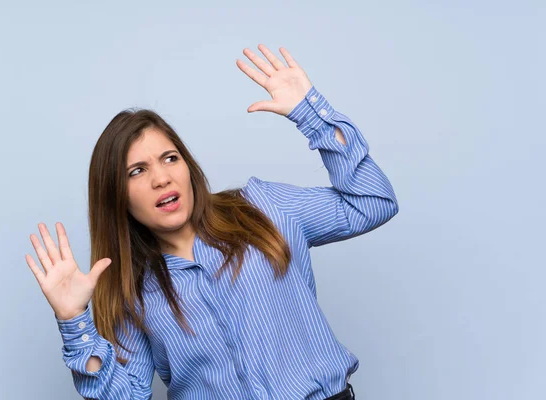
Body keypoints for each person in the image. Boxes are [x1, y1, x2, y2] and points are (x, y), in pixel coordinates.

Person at [26, 44, 398, 400]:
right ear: (116, 196)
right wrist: (74, 320)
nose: (161, 178)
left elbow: (372, 202)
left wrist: (310, 113)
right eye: (137, 171)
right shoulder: (130, 290)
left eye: (170, 158)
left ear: (188, 166)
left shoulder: (262, 207)